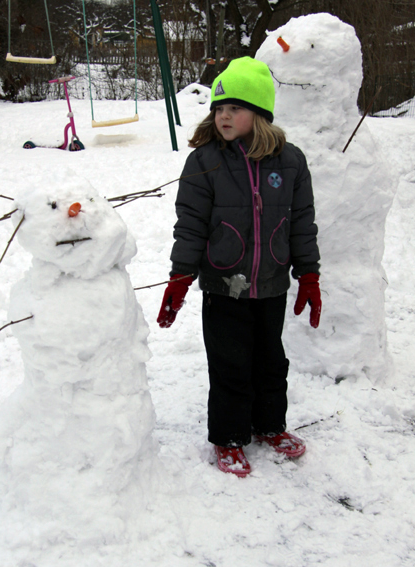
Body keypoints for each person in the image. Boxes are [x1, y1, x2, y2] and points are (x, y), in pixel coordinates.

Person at [157, 57, 321, 477]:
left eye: (235, 108)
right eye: (219, 108)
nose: (224, 116)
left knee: (271, 362)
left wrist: (308, 274)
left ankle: (269, 425)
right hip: (223, 284)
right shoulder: (205, 161)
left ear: (260, 113)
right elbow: (190, 224)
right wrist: (180, 276)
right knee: (230, 364)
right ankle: (228, 437)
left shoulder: (291, 161)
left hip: (272, 283)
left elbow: (302, 222)